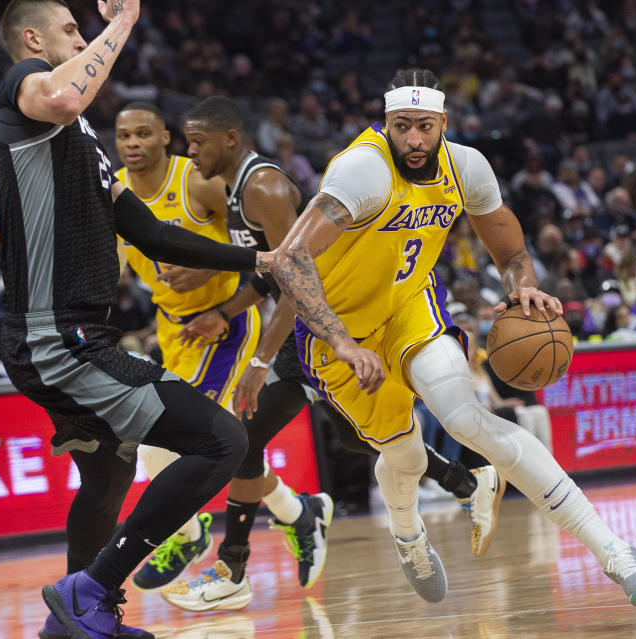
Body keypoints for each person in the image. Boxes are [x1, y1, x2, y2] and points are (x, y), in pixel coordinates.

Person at [272, 68, 636, 606]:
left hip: (411, 308)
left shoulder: (466, 167)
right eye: (402, 126)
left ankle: (617, 553)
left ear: (443, 123)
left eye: (425, 127)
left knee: (466, 420)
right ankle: (408, 535)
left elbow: (511, 254)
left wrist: (523, 288)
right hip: (340, 333)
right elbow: (289, 259)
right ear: (385, 122)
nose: (413, 139)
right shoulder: (362, 169)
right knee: (406, 457)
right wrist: (342, 342)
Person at [0, 2, 271, 638]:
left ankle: (73, 624)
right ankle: (90, 590)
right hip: (55, 339)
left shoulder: (82, 139)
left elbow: (153, 235)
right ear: (34, 40)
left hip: (76, 335)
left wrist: (257, 256)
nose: (82, 38)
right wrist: (124, 21)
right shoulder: (20, 92)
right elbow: (60, 97)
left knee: (111, 471)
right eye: (71, 29)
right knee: (221, 440)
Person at [158, 97, 500, 611]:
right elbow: (270, 273)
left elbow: (299, 283)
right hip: (309, 331)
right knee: (356, 437)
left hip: (319, 326)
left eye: (196, 142)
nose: (190, 153)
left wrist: (258, 363)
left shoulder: (264, 188)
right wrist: (226, 312)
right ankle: (462, 480)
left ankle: (233, 568)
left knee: (244, 439)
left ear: (230, 139)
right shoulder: (233, 192)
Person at [113, 101, 334, 595]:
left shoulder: (197, 181)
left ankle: (187, 535)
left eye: (144, 133)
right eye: (124, 134)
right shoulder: (117, 194)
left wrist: (211, 270)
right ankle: (299, 513)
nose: (133, 143)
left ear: (165, 139)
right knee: (232, 443)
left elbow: (259, 245)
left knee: (162, 434)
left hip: (222, 325)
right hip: (173, 328)